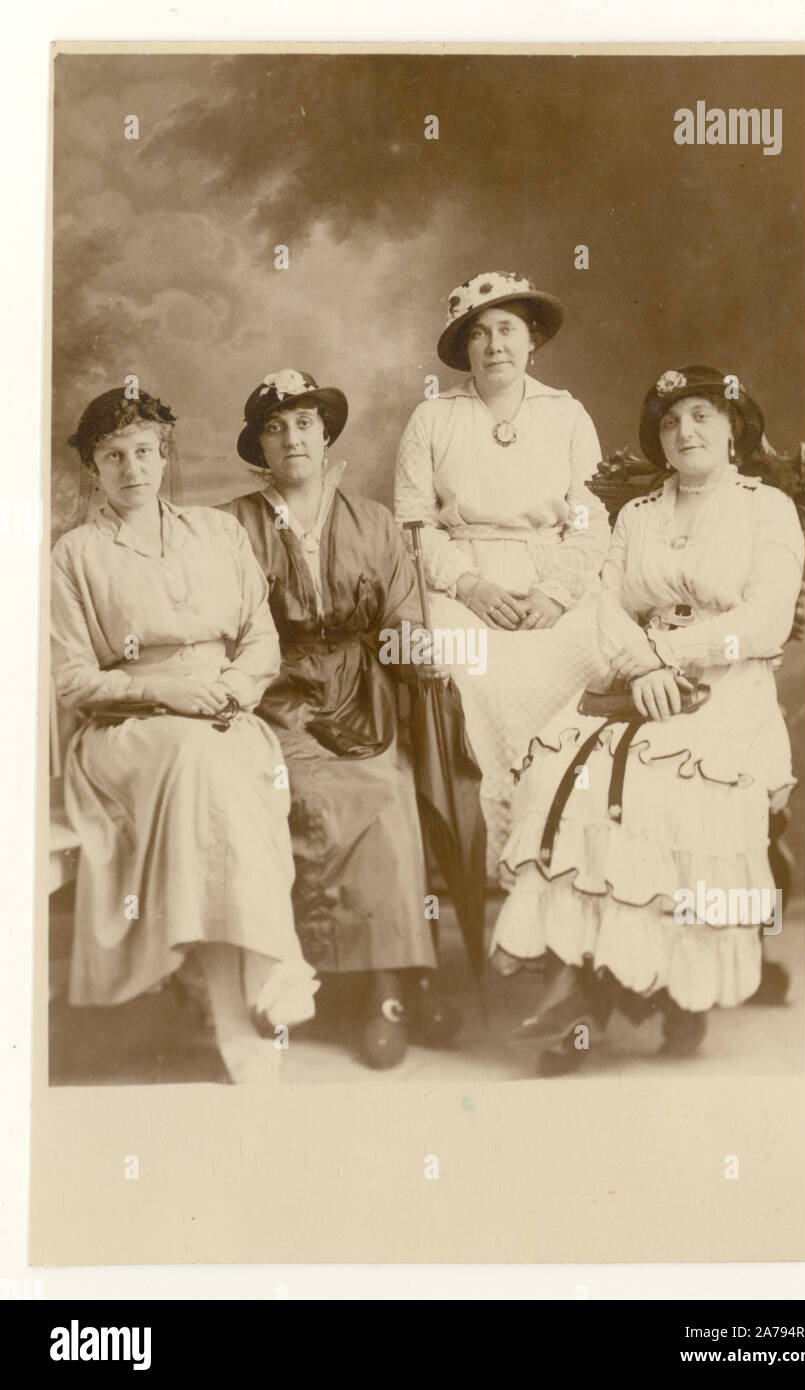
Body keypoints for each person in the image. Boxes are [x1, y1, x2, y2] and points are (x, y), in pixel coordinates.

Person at [490, 366, 805, 1073]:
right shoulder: (635, 516)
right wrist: (642, 666)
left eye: (700, 416)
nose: (684, 432)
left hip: (727, 683)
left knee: (669, 793)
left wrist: (671, 653)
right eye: (668, 422)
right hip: (636, 680)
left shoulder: (766, 509)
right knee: (556, 777)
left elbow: (762, 621)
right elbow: (604, 603)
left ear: (733, 430)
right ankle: (578, 987)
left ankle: (677, 988)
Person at [52, 387, 319, 1086]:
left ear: (163, 455)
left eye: (144, 452)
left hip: (223, 710)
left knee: (218, 765)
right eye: (113, 457)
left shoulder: (216, 533)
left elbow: (260, 642)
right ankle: (249, 995)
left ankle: (234, 985)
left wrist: (228, 692)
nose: (132, 469)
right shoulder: (76, 554)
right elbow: (74, 679)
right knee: (203, 764)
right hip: (129, 728)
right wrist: (164, 691)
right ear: (93, 468)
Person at [222, 368, 459, 1069]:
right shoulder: (232, 525)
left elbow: (401, 616)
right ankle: (315, 984)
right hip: (279, 692)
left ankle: (392, 986)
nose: (291, 437)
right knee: (304, 795)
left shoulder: (375, 521)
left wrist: (418, 657)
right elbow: (225, 624)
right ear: (259, 447)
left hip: (363, 693)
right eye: (275, 427)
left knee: (388, 792)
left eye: (303, 423)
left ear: (326, 435)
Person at [394, 271, 610, 882]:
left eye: (508, 330)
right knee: (480, 674)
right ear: (465, 347)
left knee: (594, 657)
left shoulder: (566, 414)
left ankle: (572, 845)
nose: (495, 346)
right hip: (462, 580)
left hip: (552, 576)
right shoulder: (433, 418)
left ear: (531, 339)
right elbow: (414, 529)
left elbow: (593, 523)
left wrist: (555, 594)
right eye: (480, 334)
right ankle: (511, 853)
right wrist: (471, 586)